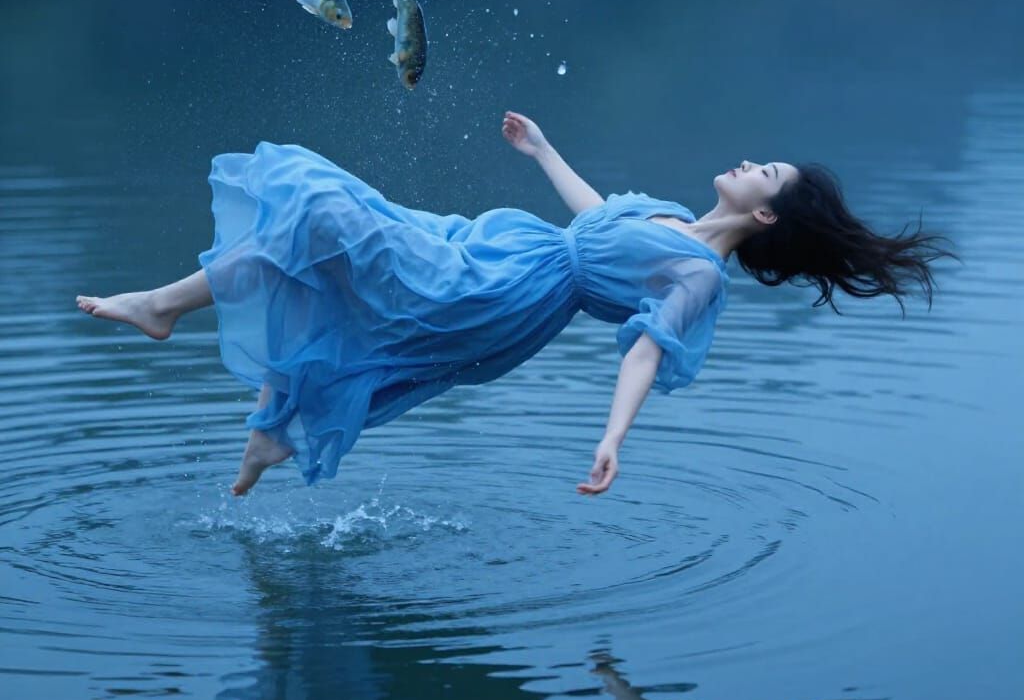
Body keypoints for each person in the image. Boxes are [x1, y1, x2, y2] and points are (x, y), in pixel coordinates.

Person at [75, 111, 952, 497]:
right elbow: (593, 216)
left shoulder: (698, 277)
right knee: (320, 231)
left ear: (764, 213)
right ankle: (265, 425)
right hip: (499, 246)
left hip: (501, 295)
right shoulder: (667, 218)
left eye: (766, 171)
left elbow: (646, 351)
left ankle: (166, 308)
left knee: (322, 211)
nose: (751, 158)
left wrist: (611, 440)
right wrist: (541, 150)